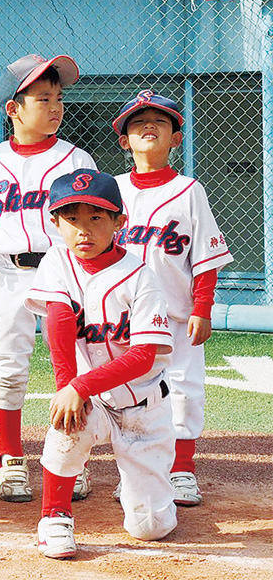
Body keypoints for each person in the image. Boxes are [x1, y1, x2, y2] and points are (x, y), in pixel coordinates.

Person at [0, 54, 96, 503]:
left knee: (73, 367)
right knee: (7, 367)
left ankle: (70, 458)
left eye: (59, 97)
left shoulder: (76, 158)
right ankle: (10, 459)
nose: (55, 106)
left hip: (64, 271)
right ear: (12, 108)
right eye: (42, 98)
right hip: (9, 271)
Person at [25, 169, 177, 559]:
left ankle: (138, 489)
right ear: (55, 223)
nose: (83, 230)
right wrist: (69, 387)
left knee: (151, 528)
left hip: (145, 407)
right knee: (67, 423)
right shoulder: (58, 261)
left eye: (96, 217)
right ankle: (54, 516)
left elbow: (144, 356)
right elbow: (59, 321)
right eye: (71, 218)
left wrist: (80, 386)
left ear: (119, 222)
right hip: (93, 400)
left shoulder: (141, 277)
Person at [110, 91, 233, 506]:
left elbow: (205, 256)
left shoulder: (188, 189)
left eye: (160, 122)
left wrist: (203, 307)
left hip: (176, 315)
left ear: (177, 138)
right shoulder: (112, 190)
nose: (149, 126)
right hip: (122, 317)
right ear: (124, 140)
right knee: (123, 394)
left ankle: (181, 470)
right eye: (137, 121)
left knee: (183, 390)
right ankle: (132, 471)